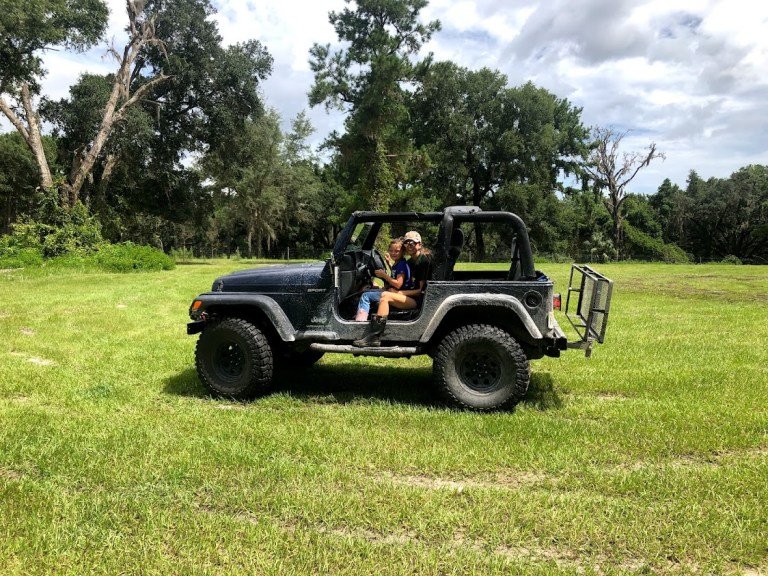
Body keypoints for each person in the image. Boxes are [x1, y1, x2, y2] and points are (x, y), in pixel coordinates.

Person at [353, 230, 431, 347]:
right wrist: (389, 265)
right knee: (374, 291)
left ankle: (374, 337)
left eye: (412, 243)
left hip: (416, 301)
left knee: (385, 297)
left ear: (419, 244)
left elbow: (420, 291)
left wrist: (399, 292)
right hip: (407, 296)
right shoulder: (410, 261)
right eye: (407, 243)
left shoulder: (423, 261)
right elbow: (402, 274)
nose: (409, 246)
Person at [354, 238, 411, 322]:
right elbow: (396, 274)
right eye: (391, 250)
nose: (393, 253)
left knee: (365, 296)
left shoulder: (402, 264)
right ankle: (362, 313)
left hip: (398, 294)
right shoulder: (398, 262)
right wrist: (388, 263)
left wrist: (384, 275)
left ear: (403, 252)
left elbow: (398, 284)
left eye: (397, 251)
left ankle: (360, 321)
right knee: (366, 291)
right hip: (392, 290)